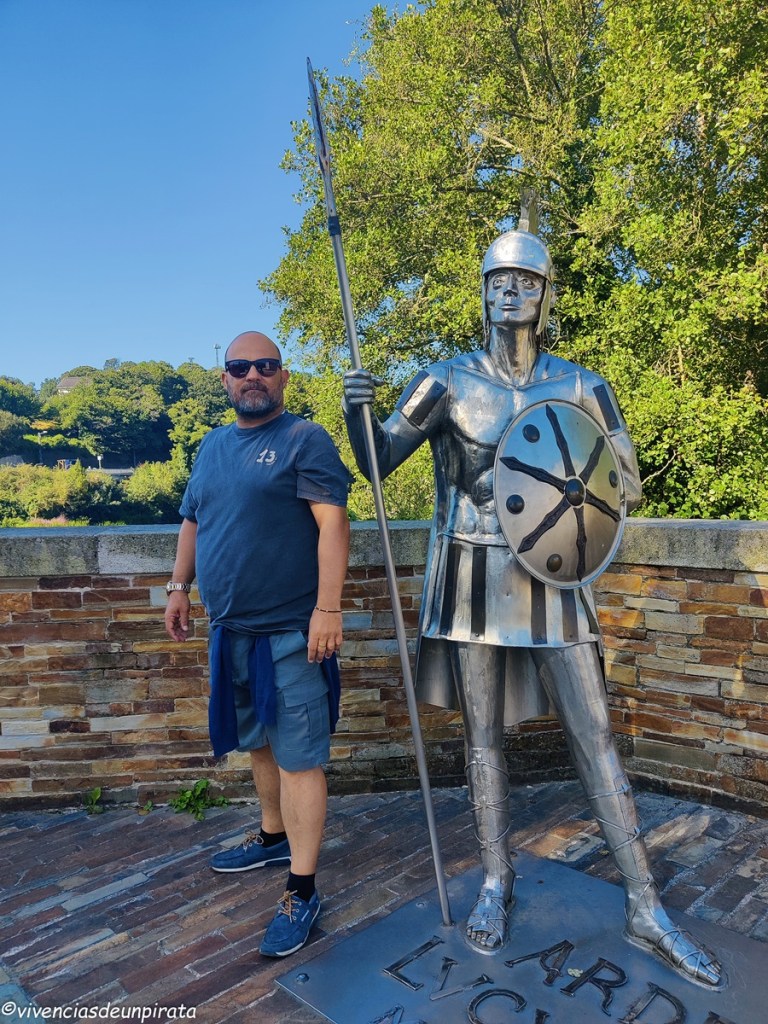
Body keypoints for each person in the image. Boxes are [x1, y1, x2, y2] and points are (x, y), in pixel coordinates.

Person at [342, 228, 722, 986]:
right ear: (483, 291)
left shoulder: (582, 386)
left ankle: (646, 904)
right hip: (473, 575)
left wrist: (560, 475)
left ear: (546, 296)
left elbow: (625, 480)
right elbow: (378, 462)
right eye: (498, 279)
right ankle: (496, 879)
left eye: (525, 281)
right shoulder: (443, 382)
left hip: (555, 577)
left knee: (595, 735)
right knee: (482, 738)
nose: (509, 291)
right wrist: (357, 412)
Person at [165, 330, 351, 958]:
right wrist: (178, 587)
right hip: (231, 631)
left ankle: (303, 887)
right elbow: (194, 520)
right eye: (240, 367)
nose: (253, 375)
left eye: (265, 366)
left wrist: (328, 608)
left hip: (291, 633)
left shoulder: (304, 439)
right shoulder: (213, 446)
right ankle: (273, 837)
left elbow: (333, 524)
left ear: (283, 377)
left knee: (299, 757)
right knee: (260, 743)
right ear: (225, 379)